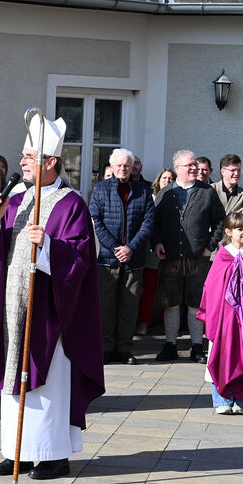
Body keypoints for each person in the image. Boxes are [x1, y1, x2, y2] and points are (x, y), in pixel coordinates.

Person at [0, 113, 104, 481]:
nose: (21, 162)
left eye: (28, 157)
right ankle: (15, 451)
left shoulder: (71, 204)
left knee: (47, 382)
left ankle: (51, 455)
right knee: (13, 377)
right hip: (12, 306)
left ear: (50, 162)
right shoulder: (15, 200)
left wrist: (48, 245)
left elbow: (81, 257)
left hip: (50, 311)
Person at [152, 150, 225, 363]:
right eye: (189, 165)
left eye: (195, 164)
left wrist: (209, 246)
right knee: (171, 302)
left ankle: (197, 346)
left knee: (196, 303)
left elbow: (220, 221)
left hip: (198, 259)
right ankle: (170, 345)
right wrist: (157, 242)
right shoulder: (165, 193)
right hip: (170, 258)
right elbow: (154, 223)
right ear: (177, 169)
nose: (194, 168)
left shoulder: (207, 192)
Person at [198, 212, 243, 415]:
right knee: (222, 355)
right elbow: (211, 287)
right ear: (229, 232)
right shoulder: (222, 256)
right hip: (224, 319)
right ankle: (221, 399)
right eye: (239, 229)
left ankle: (241, 400)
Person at [90, 148, 154, 365]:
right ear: (112, 166)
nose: (123, 169)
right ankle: (106, 348)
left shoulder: (142, 190)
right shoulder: (100, 189)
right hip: (107, 259)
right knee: (106, 306)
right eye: (119, 165)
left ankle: (125, 348)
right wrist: (117, 247)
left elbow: (148, 222)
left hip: (134, 259)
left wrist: (130, 248)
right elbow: (96, 221)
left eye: (127, 165)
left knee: (130, 306)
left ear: (132, 167)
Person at [135, 168, 174, 336]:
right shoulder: (150, 198)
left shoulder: (178, 198)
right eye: (164, 178)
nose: (167, 181)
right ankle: (144, 321)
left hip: (171, 251)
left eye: (170, 178)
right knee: (149, 289)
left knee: (169, 289)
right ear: (158, 180)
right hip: (151, 251)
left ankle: (168, 323)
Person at [212, 154, 243, 220]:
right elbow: (205, 218)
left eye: (239, 170)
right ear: (223, 172)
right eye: (233, 170)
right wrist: (233, 217)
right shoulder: (211, 190)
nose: (236, 173)